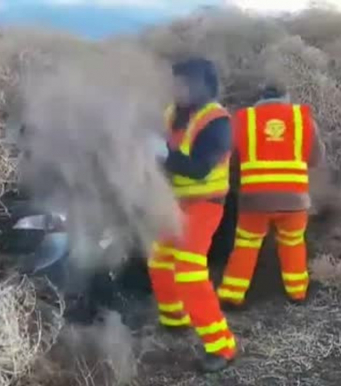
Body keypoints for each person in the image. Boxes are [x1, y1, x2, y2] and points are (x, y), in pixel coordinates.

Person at [148, 57, 237, 373]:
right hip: (173, 202)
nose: (178, 88)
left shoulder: (217, 122)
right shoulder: (171, 113)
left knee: (188, 268)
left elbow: (200, 169)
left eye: (185, 83)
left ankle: (221, 346)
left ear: (205, 86)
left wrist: (163, 153)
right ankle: (174, 319)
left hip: (205, 203)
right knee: (159, 260)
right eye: (176, 82)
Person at [217, 82, 325, 309]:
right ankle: (297, 294)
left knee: (246, 244)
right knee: (293, 243)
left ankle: (231, 295)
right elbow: (316, 158)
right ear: (286, 97)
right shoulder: (301, 118)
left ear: (260, 98)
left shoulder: (243, 120)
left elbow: (230, 159)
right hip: (294, 201)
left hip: (254, 201)